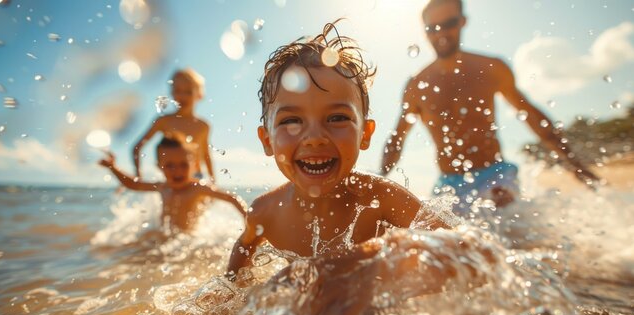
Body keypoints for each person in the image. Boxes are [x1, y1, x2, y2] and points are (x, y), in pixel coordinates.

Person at [226, 21, 450, 278]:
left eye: (337, 118)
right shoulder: (265, 212)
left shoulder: (380, 200)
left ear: (364, 134)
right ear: (267, 141)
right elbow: (243, 247)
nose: (314, 138)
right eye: (291, 121)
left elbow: (460, 248)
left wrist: (372, 253)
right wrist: (226, 298)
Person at [380, 0, 600, 215]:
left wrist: (576, 166)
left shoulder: (491, 68)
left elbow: (531, 116)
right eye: (432, 28)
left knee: (508, 222)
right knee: (442, 244)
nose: (440, 33)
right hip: (448, 184)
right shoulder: (417, 86)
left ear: (463, 22)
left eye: (448, 24)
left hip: (494, 174)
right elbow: (397, 139)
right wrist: (380, 179)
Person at [99, 136, 245, 233]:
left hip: (188, 240)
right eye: (169, 165)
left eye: (183, 165)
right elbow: (134, 185)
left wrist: (249, 222)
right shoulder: (163, 187)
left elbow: (231, 198)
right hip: (166, 238)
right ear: (159, 166)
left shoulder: (198, 188)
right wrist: (113, 167)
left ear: (194, 165)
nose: (177, 171)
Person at [133, 68, 216, 183]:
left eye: (188, 92)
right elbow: (137, 147)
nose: (182, 96)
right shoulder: (164, 121)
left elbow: (206, 156)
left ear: (199, 95)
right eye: (177, 90)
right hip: (171, 178)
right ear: (171, 93)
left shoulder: (203, 126)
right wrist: (138, 177)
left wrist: (213, 181)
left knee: (199, 197)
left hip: (196, 178)